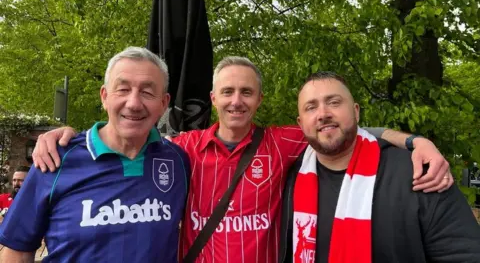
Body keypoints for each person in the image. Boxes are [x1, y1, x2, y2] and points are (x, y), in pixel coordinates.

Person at [31, 57, 453, 263]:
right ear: (213, 99)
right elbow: (129, 132)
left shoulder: (283, 141)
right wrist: (68, 136)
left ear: (259, 100)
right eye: (228, 92)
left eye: (247, 92)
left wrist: (417, 141)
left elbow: (342, 129)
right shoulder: (182, 149)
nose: (237, 101)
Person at [0, 47, 190, 263]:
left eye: (147, 92)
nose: (134, 103)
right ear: (104, 96)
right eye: (123, 89)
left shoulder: (178, 161)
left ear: (163, 103)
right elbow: (17, 250)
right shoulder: (55, 158)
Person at [279, 71, 480, 263]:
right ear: (300, 123)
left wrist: (417, 141)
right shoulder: (287, 178)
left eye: (334, 102)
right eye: (311, 107)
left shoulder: (417, 172)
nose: (323, 114)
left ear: (356, 112)